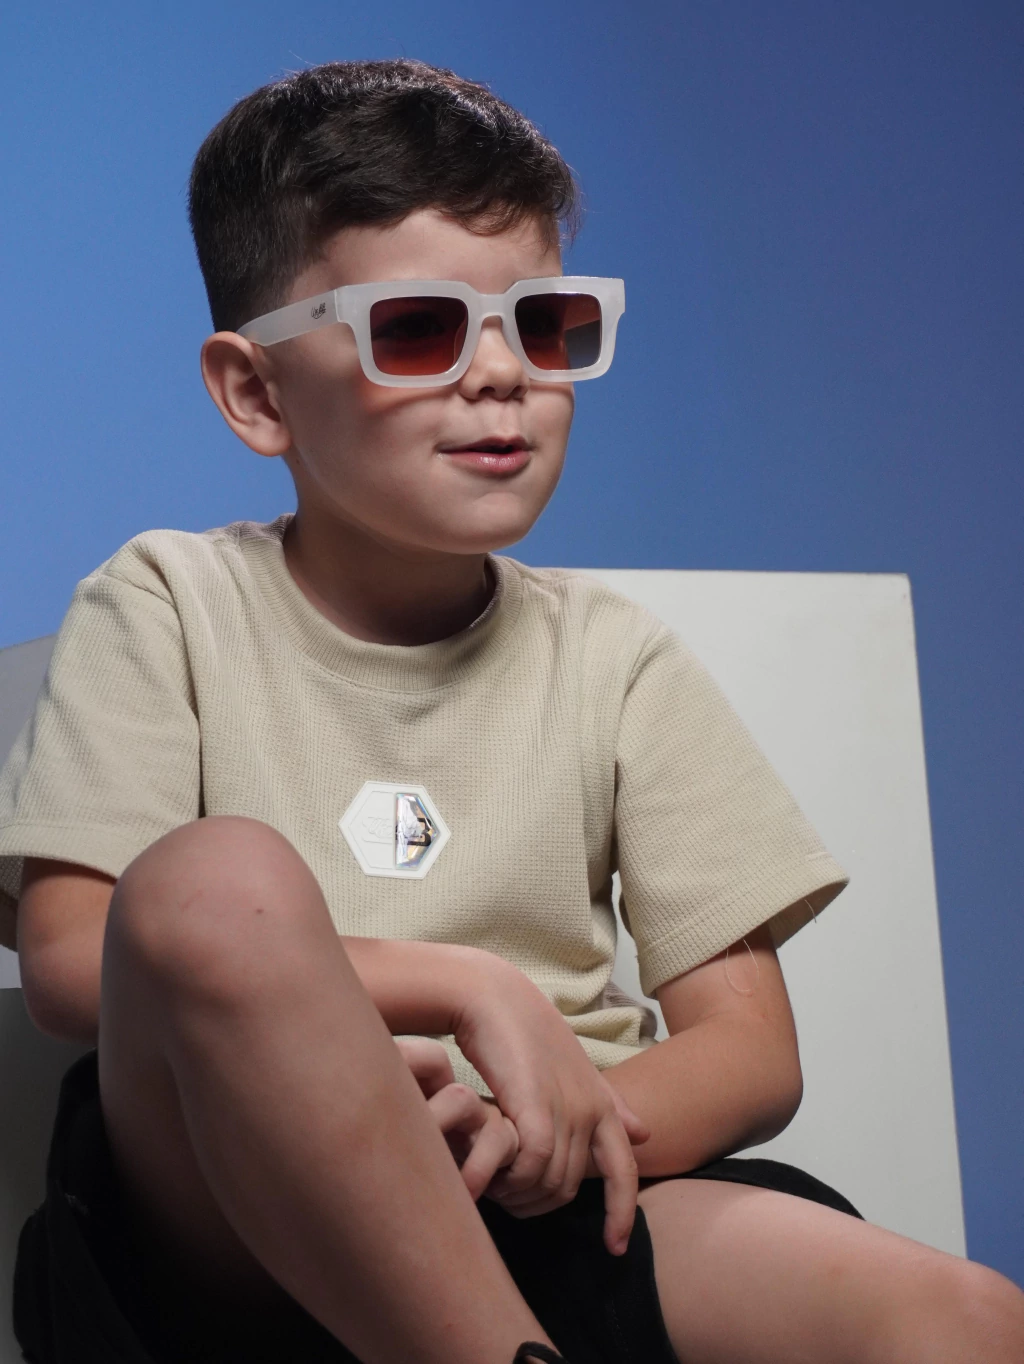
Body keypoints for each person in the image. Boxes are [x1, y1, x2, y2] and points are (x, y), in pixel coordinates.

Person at [1, 57, 1021, 1364]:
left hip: (555, 1187)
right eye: (418, 329)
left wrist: (551, 1125)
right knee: (215, 882)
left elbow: (751, 1049)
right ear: (258, 393)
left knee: (965, 1320)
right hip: (236, 1237)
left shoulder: (615, 658)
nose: (504, 377)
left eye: (545, 326)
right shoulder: (167, 602)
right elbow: (74, 958)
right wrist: (465, 985)